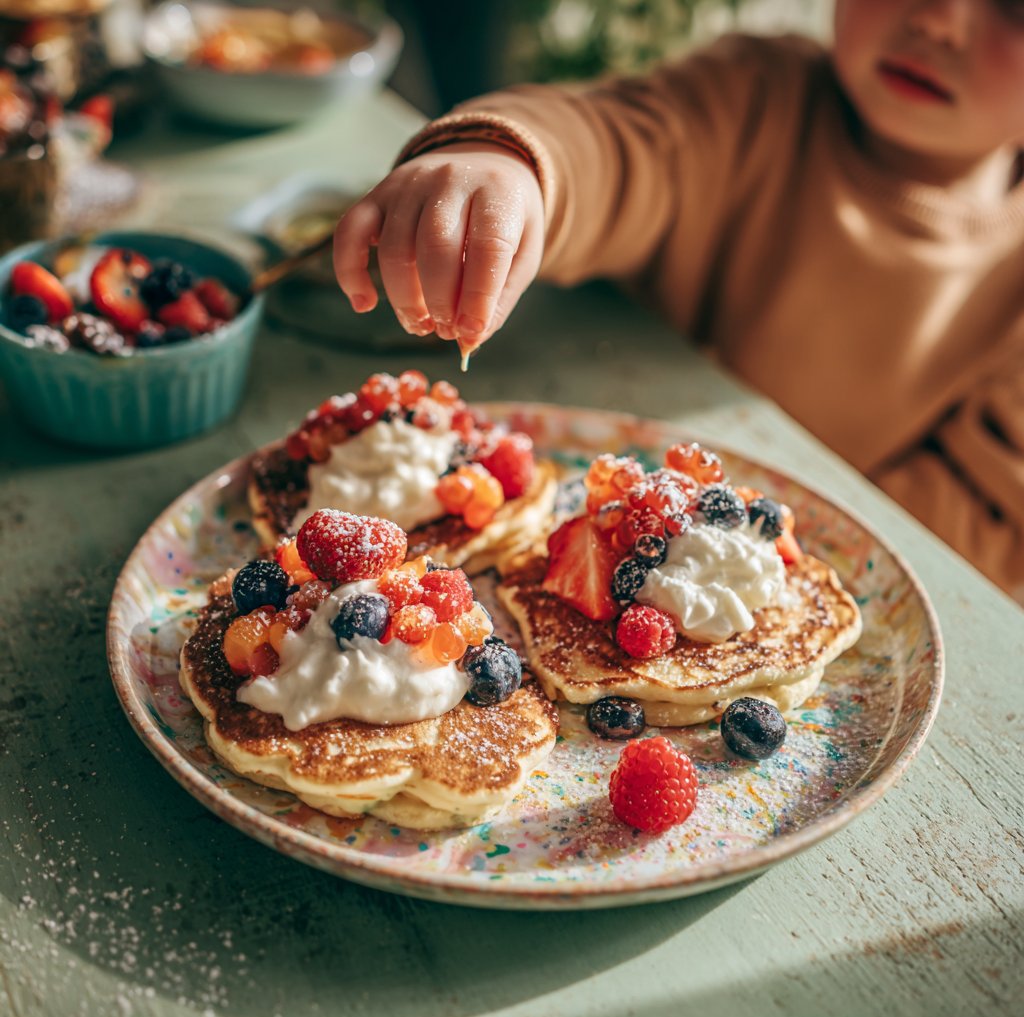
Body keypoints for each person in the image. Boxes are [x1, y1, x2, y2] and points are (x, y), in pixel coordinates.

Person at [333, 0, 1024, 600]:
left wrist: (752, 545)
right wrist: (509, 162)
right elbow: (615, 143)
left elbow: (989, 522)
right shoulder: (753, 96)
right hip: (588, 504)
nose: (938, 19)